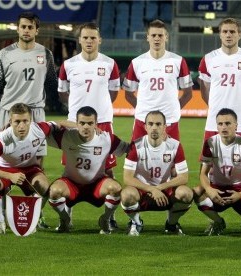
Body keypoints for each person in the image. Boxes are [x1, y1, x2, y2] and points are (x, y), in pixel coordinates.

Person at [0, 12, 57, 156]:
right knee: (5, 157)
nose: (26, 30)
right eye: (23, 26)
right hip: (9, 112)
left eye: (30, 27)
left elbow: (52, 84)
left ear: (37, 30)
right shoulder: (4, 54)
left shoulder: (46, 54)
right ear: (17, 29)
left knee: (37, 158)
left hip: (35, 112)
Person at [47, 106, 129, 234]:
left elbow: (129, 149)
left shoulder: (106, 139)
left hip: (96, 185)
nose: (86, 127)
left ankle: (105, 219)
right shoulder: (66, 136)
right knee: (54, 191)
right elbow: (41, 133)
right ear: (76, 123)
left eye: (90, 123)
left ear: (96, 124)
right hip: (71, 184)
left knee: (116, 188)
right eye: (82, 123)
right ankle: (64, 219)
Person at [58, 22, 121, 177]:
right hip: (75, 122)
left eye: (93, 38)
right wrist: (75, 109)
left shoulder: (110, 64)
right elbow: (62, 92)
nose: (89, 41)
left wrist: (100, 108)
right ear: (79, 40)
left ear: (99, 40)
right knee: (72, 167)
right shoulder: (68, 65)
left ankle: (110, 200)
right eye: (85, 37)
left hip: (103, 122)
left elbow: (114, 91)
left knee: (107, 168)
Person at [0, 103, 52, 234]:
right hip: (5, 170)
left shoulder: (39, 129)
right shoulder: (2, 139)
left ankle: (34, 217)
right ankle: (0, 220)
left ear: (31, 120)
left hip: (29, 169)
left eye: (25, 121)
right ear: (10, 121)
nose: (22, 125)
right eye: (17, 121)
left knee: (45, 186)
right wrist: (10, 176)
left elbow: (60, 125)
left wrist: (79, 126)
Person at [193, 108, 241, 236]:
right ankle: (218, 221)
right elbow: (203, 173)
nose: (224, 127)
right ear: (217, 126)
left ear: (236, 126)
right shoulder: (210, 143)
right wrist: (209, 189)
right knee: (197, 192)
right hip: (217, 189)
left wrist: (240, 194)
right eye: (220, 124)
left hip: (240, 190)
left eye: (228, 123)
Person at [121, 111, 193, 236]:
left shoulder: (175, 145)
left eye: (158, 124)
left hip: (165, 191)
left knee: (186, 194)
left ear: (165, 127)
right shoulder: (136, 146)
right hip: (142, 191)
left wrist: (158, 188)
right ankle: (136, 222)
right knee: (126, 195)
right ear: (145, 127)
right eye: (151, 124)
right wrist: (151, 189)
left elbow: (184, 177)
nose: (154, 127)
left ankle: (171, 224)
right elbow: (127, 178)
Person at [122, 19, 193, 141]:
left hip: (170, 120)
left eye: (160, 35)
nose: (157, 38)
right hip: (143, 120)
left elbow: (188, 93)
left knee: (170, 159)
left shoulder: (178, 61)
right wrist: (142, 108)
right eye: (153, 35)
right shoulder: (136, 63)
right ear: (147, 37)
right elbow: (128, 94)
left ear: (166, 37)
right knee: (137, 159)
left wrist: (174, 109)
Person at [198, 17, 241, 143]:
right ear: (220, 35)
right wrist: (215, 107)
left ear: (239, 35)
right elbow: (205, 91)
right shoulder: (208, 59)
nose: (228, 35)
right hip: (214, 118)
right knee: (210, 161)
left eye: (232, 32)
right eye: (225, 31)